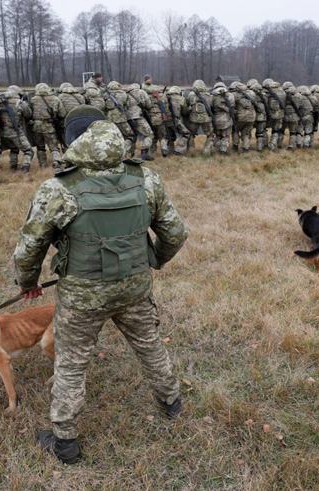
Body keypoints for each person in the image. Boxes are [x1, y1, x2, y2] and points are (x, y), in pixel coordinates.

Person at [12, 106, 188, 464]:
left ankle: (65, 442)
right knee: (150, 346)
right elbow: (175, 233)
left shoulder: (58, 189)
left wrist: (28, 282)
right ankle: (171, 404)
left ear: (72, 142)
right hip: (134, 289)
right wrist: (153, 260)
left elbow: (28, 249)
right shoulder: (146, 180)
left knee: (71, 365)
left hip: (82, 298)